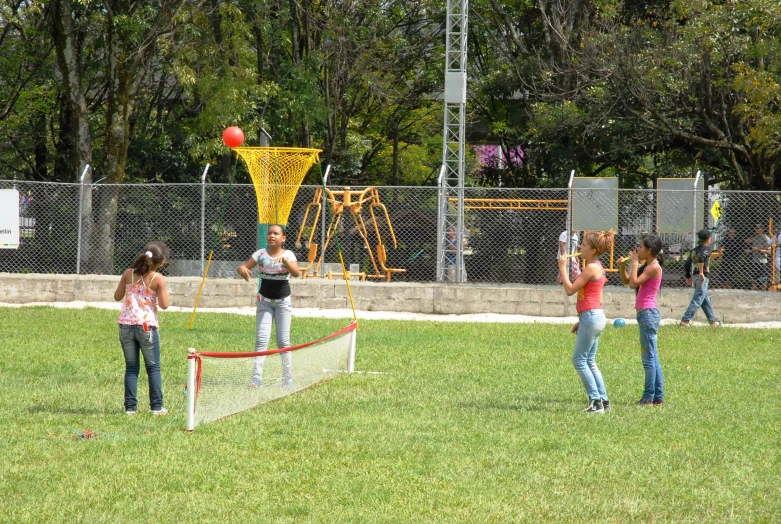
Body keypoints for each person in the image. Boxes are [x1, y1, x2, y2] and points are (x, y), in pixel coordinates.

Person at [237, 225, 300, 387]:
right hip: (264, 302)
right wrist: (242, 269)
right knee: (261, 341)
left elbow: (296, 273)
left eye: (276, 233)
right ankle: (256, 379)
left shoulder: (288, 254)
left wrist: (286, 261)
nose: (272, 235)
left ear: (283, 238)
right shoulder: (261, 254)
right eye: (270, 233)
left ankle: (287, 380)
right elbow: (243, 266)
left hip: (282, 304)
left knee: (283, 342)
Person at [557, 230, 613, 413]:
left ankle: (596, 402)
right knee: (589, 360)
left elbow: (570, 289)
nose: (580, 247)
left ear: (594, 250)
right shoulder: (597, 267)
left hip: (591, 316)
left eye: (584, 245)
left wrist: (562, 267)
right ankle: (603, 401)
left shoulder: (591, 268)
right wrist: (583, 321)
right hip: (593, 316)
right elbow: (597, 298)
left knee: (579, 360)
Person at [114, 241, 170, 415]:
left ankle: (130, 408)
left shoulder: (128, 274)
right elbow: (165, 304)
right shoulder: (157, 278)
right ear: (161, 262)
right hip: (147, 326)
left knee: (131, 367)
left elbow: (117, 297)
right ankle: (157, 407)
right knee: (153, 367)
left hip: (125, 325)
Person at [617, 235, 664, 406]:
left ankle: (648, 397)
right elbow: (628, 281)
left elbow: (633, 283)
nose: (637, 250)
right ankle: (658, 397)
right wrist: (623, 266)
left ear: (649, 250)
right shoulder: (647, 267)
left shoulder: (654, 267)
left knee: (648, 359)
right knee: (653, 357)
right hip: (645, 315)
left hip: (648, 315)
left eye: (640, 247)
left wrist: (634, 262)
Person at [680, 229, 720, 327]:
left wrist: (688, 277)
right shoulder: (708, 248)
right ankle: (685, 320)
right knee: (697, 299)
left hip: (695, 277)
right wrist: (702, 272)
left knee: (704, 299)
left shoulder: (694, 250)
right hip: (702, 277)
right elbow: (702, 258)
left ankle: (713, 322)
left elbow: (687, 263)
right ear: (708, 239)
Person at [745, 225, 771, 290]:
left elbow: (769, 251)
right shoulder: (754, 238)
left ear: (762, 229)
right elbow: (749, 245)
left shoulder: (766, 238)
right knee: (754, 280)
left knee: (763, 280)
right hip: (754, 261)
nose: (756, 229)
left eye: (758, 228)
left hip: (763, 262)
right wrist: (749, 251)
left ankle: (763, 294)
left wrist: (758, 249)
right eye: (755, 228)